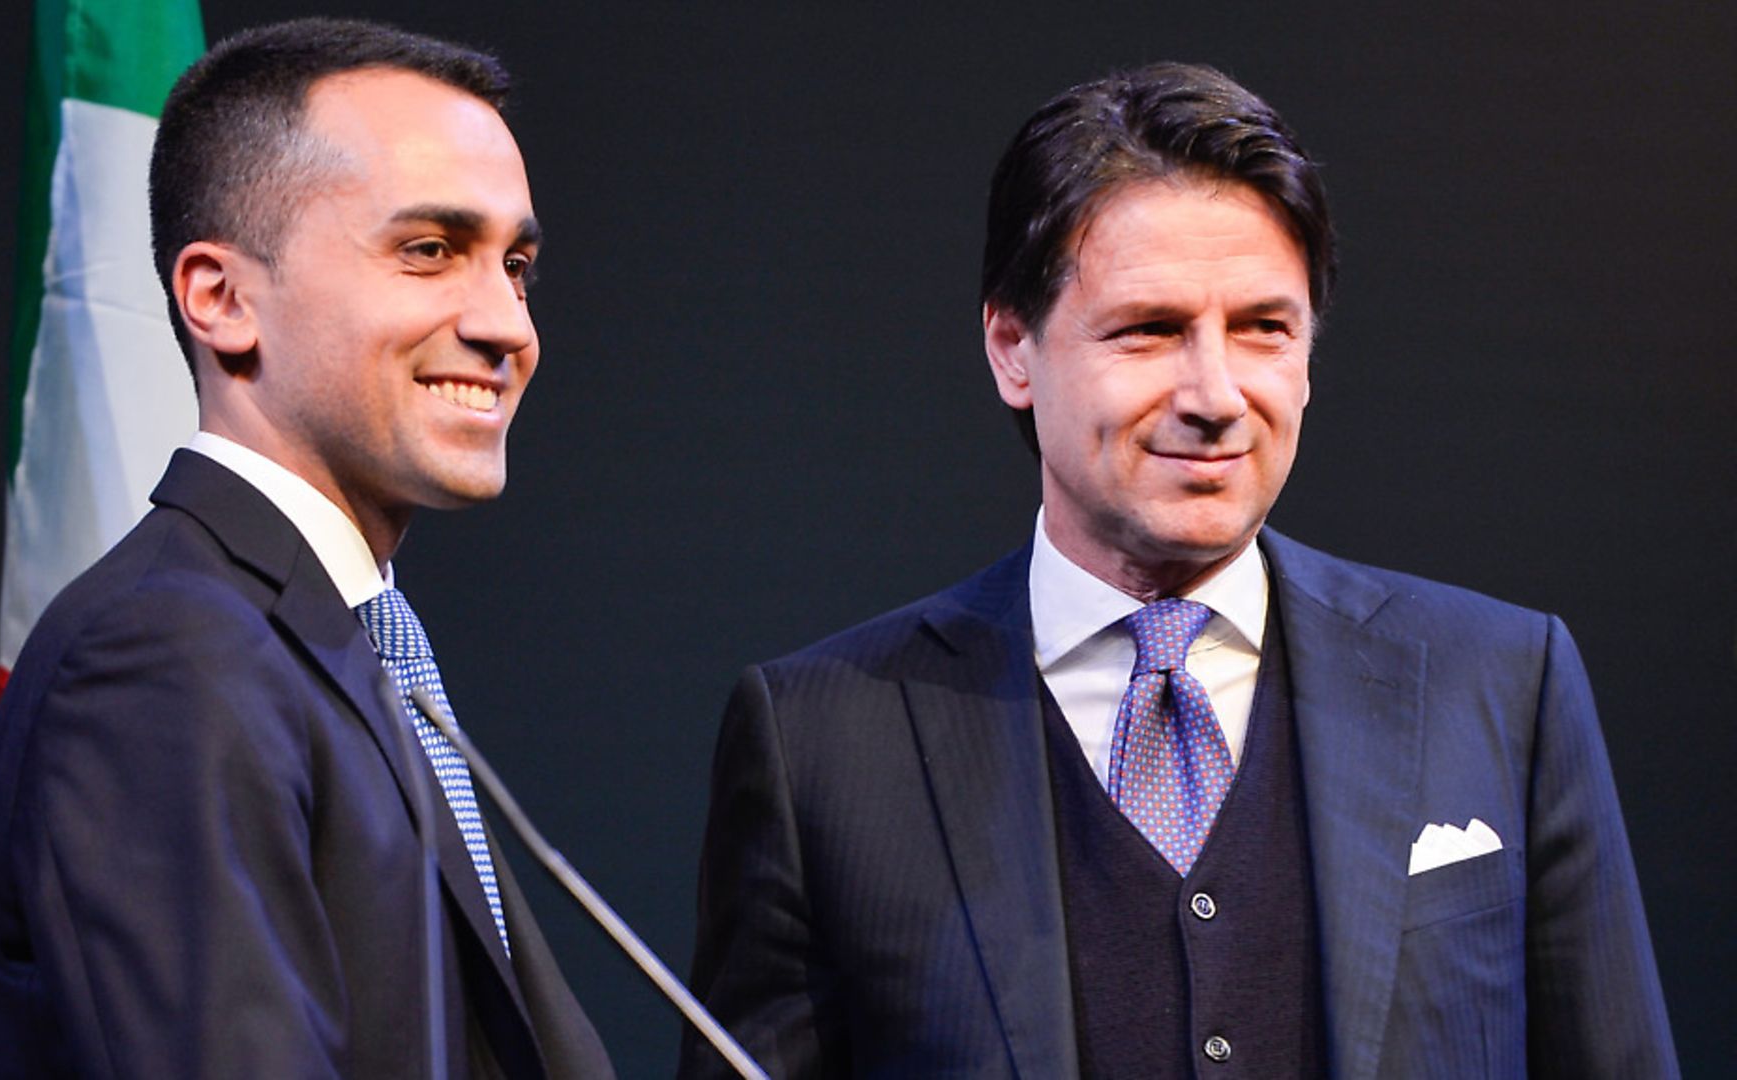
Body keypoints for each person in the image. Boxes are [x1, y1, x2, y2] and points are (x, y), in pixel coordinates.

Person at [681, 63, 1676, 1078]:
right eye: (1151, 330)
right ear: (1012, 348)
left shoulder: (1504, 686)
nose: (1216, 394)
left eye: (1262, 330)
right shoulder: (823, 744)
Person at [0, 19, 613, 1078]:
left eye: (520, 266)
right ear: (221, 299)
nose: (508, 325)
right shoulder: (162, 658)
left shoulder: (341, 643)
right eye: (429, 251)